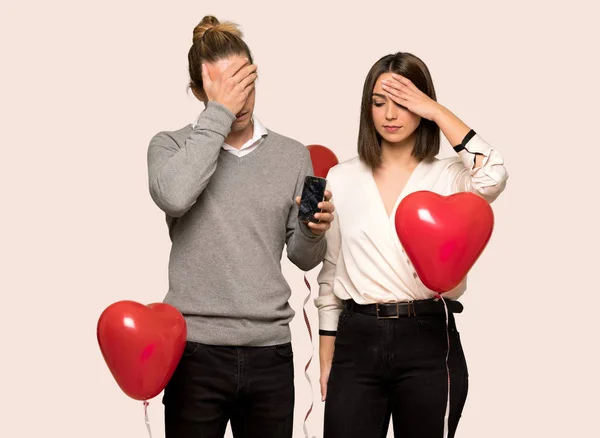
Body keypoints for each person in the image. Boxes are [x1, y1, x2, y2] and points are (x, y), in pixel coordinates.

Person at [146, 15, 335, 438]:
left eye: (245, 82)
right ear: (199, 91)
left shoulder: (292, 155)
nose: (239, 99)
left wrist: (313, 232)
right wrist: (218, 115)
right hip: (194, 352)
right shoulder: (171, 146)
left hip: (270, 354)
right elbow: (174, 196)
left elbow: (303, 259)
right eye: (224, 87)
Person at [315, 52, 509, 438]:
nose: (390, 114)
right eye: (379, 102)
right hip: (357, 339)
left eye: (403, 102)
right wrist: (326, 353)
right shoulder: (342, 177)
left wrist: (435, 110)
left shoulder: (449, 176)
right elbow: (331, 271)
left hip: (427, 339)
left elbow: (493, 174)